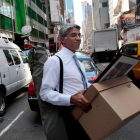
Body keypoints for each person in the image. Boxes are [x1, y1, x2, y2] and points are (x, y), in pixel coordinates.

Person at [40, 23, 91, 140]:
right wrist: (70, 99)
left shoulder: (77, 61)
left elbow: (82, 84)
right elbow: (44, 93)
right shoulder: (55, 61)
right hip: (70, 113)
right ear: (62, 39)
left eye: (79, 35)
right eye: (73, 35)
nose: (78, 38)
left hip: (84, 110)